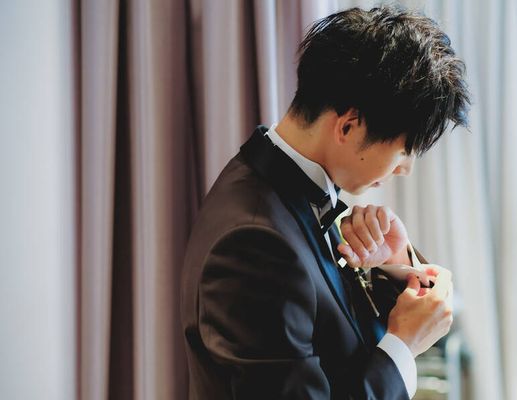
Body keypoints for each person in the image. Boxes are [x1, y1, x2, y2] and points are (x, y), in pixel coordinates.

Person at [181, 6, 470, 399]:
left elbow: (337, 338)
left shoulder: (291, 190)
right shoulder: (253, 243)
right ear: (348, 126)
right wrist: (402, 346)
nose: (405, 169)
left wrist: (393, 265)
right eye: (404, 150)